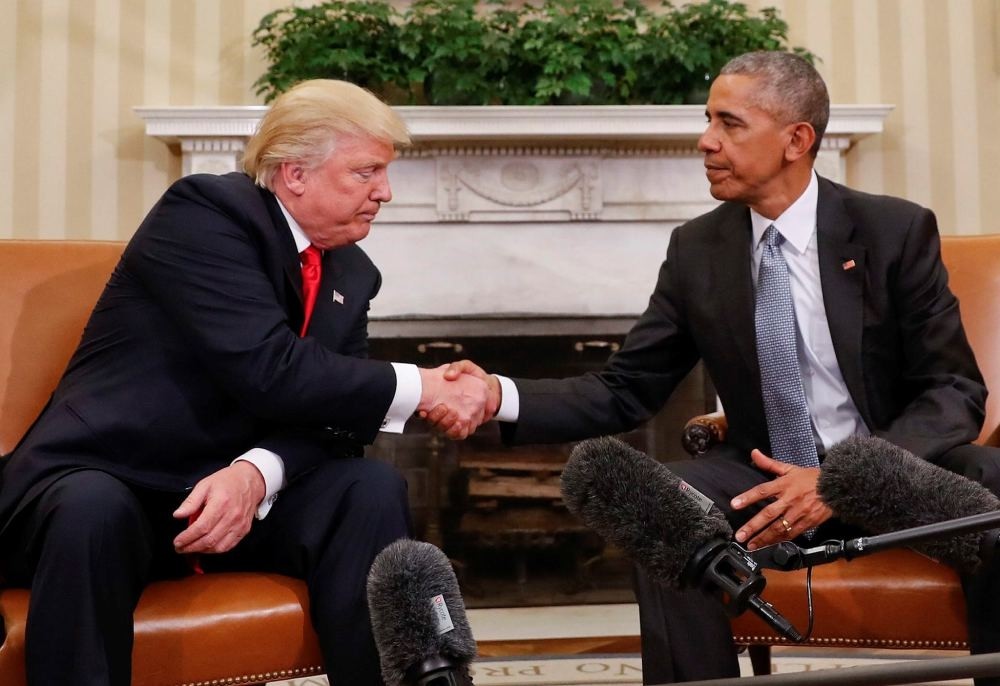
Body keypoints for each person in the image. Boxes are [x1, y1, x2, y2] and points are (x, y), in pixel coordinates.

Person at [429, 51, 1000, 683]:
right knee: (659, 506)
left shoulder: (892, 230)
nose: (706, 141)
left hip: (892, 468)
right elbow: (625, 389)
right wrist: (494, 395)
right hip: (761, 479)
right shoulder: (698, 248)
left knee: (991, 475)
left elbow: (952, 390)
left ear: (796, 139)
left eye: (729, 123)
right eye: (708, 120)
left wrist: (840, 478)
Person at [0, 79, 493, 686]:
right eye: (366, 172)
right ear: (295, 174)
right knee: (91, 508)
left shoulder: (354, 272)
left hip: (232, 505)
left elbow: (338, 424)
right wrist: (424, 386)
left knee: (368, 486)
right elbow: (270, 368)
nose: (384, 193)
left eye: (384, 174)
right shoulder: (205, 214)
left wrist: (256, 472)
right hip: (112, 479)